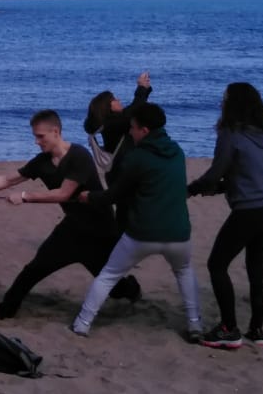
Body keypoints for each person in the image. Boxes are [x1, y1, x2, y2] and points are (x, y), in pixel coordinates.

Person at [0, 109, 139, 321]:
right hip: (72, 228)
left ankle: (132, 289)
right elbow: (6, 180)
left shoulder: (79, 155)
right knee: (34, 270)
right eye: (35, 136)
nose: (36, 142)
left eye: (40, 136)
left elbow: (64, 194)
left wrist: (25, 196)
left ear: (55, 132)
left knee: (115, 289)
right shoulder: (42, 162)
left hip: (100, 231)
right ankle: (6, 311)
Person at [71, 102, 203, 341]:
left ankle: (82, 323)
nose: (130, 132)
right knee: (184, 271)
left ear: (144, 130)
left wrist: (89, 197)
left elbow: (114, 195)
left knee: (109, 274)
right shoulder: (177, 152)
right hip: (178, 233)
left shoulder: (137, 157)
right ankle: (195, 325)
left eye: (132, 128)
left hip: (143, 233)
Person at [188, 83, 263, 350]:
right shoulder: (260, 134)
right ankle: (257, 330)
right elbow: (249, 174)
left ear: (233, 104)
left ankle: (229, 328)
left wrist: (191, 189)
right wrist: (219, 187)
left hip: (249, 211)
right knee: (255, 269)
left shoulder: (230, 133)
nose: (221, 103)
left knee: (216, 265)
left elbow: (216, 172)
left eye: (225, 99)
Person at [83, 71, 151, 185]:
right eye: (114, 99)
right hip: (123, 174)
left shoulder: (109, 124)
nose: (118, 100)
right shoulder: (113, 124)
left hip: (118, 173)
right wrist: (142, 88)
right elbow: (134, 110)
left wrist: (145, 90)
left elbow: (134, 109)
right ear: (107, 106)